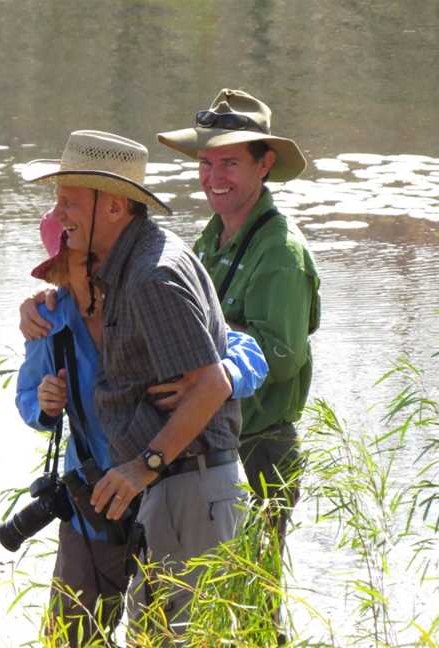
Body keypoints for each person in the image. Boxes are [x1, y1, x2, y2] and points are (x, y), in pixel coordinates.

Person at [21, 129, 247, 636]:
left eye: (70, 202)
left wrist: (142, 466)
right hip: (174, 487)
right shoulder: (129, 265)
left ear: (117, 207)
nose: (59, 217)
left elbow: (211, 382)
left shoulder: (151, 276)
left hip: (186, 484)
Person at [157, 88, 321, 567]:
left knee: (254, 605)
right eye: (206, 164)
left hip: (259, 449)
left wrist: (200, 347)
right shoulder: (213, 234)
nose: (214, 178)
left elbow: (282, 356)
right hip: (212, 445)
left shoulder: (281, 251)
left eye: (229, 163)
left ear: (264, 164)